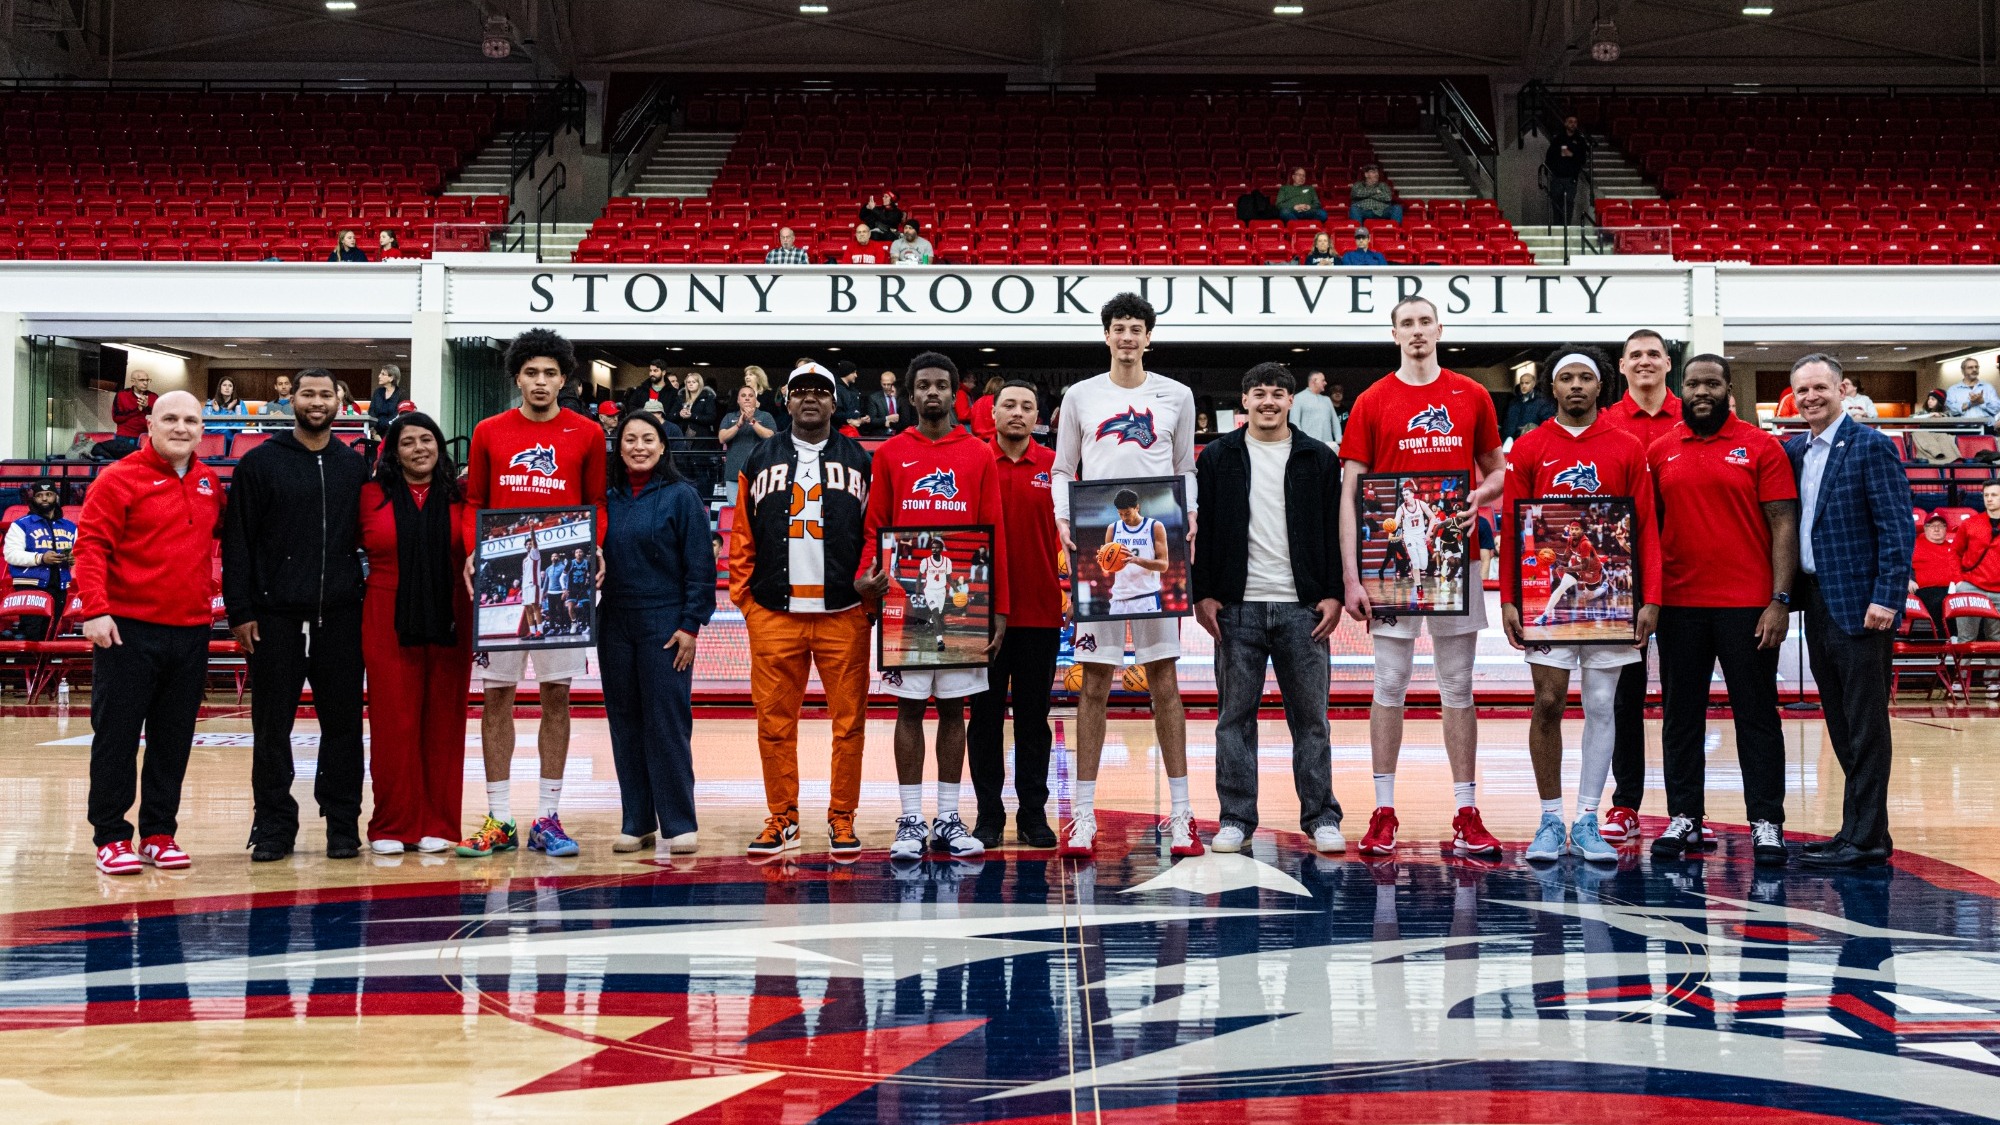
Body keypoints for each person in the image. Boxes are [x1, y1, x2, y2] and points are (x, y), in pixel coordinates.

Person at [1339, 296, 1506, 858]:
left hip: (1458, 557)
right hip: (1388, 566)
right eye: (1406, 323)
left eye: (1424, 322)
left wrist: (1480, 497)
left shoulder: (1471, 394)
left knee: (1457, 685)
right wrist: (1351, 576)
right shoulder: (1372, 400)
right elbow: (1351, 494)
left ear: (1439, 329)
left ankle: (1467, 810)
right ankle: (1384, 809)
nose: (1416, 331)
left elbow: (1498, 471)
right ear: (1394, 334)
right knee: (1389, 683)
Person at [1051, 292, 1201, 858]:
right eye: (1119, 328)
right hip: (1099, 546)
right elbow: (1063, 468)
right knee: (1093, 683)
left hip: (1160, 550)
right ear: (1106, 335)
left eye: (1136, 328)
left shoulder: (1176, 394)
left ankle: (1182, 813)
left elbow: (1184, 467)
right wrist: (1065, 519)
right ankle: (1083, 815)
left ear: (1148, 337)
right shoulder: (1080, 395)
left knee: (1164, 681)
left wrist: (1191, 515)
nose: (1127, 337)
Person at [1499, 347, 1661, 865]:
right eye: (1565, 378)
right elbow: (1512, 525)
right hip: (1545, 590)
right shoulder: (1530, 446)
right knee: (1548, 701)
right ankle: (1550, 819)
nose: (1575, 386)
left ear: (1600, 386)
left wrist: (1651, 598)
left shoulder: (1626, 446)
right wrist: (1508, 596)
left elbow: (1646, 527)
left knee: (1601, 704)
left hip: (1611, 597)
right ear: (1551, 387)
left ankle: (1588, 818)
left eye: (1584, 378)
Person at [457, 328, 608, 860]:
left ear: (564, 379)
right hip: (502, 577)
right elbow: (474, 502)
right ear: (517, 377)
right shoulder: (488, 431)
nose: (540, 382)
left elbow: (596, 503)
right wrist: (473, 549)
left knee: (556, 697)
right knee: (496, 697)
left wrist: (595, 546)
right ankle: (500, 817)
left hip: (558, 580)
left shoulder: (588, 433)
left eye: (550, 373)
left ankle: (547, 816)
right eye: (531, 373)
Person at [856, 352, 1010, 861]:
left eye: (942, 385)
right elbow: (875, 527)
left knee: (953, 709)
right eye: (923, 385)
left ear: (954, 394)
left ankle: (946, 817)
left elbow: (994, 532)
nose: (933, 393)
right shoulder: (889, 453)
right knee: (908, 707)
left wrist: (1000, 606)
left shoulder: (978, 453)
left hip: (965, 600)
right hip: (903, 599)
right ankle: (909, 820)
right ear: (911, 394)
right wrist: (866, 578)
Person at [1648, 354, 1798, 864]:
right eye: (1692, 384)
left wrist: (1780, 600)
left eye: (1711, 384)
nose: (1701, 392)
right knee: (1680, 716)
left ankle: (1767, 822)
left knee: (1757, 716)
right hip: (1679, 606)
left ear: (1728, 390)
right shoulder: (1661, 450)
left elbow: (1783, 523)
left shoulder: (1761, 446)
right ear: (1681, 388)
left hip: (1748, 608)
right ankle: (1685, 817)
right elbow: (1650, 530)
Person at [1192, 362, 1346, 854]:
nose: (1268, 402)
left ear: (1291, 401)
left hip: (1304, 608)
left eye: (1278, 394)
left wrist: (1335, 592)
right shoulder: (1217, 457)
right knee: (1234, 720)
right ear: (1244, 401)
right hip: (1237, 608)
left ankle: (1321, 816)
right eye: (1258, 393)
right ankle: (1236, 819)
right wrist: (1203, 592)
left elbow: (1335, 529)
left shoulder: (1318, 457)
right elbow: (1204, 531)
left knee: (1312, 721)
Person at [222, 368, 370, 863]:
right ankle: (273, 826)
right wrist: (240, 610)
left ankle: (343, 825)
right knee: (271, 729)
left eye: (326, 394)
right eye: (308, 393)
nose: (317, 402)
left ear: (339, 403)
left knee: (344, 728)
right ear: (293, 401)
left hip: (341, 618)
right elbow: (238, 542)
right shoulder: (259, 463)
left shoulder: (353, 466)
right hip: (274, 619)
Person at [75, 390, 226, 875]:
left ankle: (159, 834)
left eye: (191, 420)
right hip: (127, 630)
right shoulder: (117, 478)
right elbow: (90, 546)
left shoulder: (208, 481)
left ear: (202, 430)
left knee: (174, 737)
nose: (181, 428)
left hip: (190, 630)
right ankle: (111, 836)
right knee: (117, 736)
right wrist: (95, 610)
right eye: (171, 419)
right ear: (150, 425)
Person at [730, 362, 874, 858]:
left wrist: (868, 603)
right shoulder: (759, 457)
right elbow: (741, 536)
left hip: (843, 612)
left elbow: (873, 534)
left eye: (820, 391)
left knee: (849, 724)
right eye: (801, 391)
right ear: (786, 400)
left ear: (835, 402)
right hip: (774, 612)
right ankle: (783, 817)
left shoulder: (860, 459)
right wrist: (746, 603)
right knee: (773, 723)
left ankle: (842, 817)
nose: (810, 398)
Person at [1786, 353, 1914, 868]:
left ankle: (1865, 839)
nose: (1811, 397)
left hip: (1862, 606)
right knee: (1841, 724)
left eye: (1820, 387)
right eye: (1802, 390)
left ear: (1843, 390)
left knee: (1865, 726)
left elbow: (1897, 528)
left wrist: (1887, 597)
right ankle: (1861, 830)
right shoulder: (1795, 450)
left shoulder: (1871, 446)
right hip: (1816, 601)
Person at [600, 408, 715, 856]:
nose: (639, 447)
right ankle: (638, 821)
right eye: (630, 439)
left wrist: (690, 625)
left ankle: (679, 822)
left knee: (666, 723)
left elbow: (700, 567)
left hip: (665, 623)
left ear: (663, 446)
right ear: (619, 446)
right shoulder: (605, 498)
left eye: (648, 439)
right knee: (624, 722)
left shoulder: (682, 497)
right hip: (614, 621)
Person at [358, 412, 473, 855]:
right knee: (393, 722)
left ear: (440, 447)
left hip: (451, 614)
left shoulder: (462, 496)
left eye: (427, 440)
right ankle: (392, 823)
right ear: (393, 451)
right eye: (408, 442)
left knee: (445, 721)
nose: (419, 448)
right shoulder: (369, 496)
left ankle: (438, 823)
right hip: (386, 612)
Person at [967, 379, 1063, 849]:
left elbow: (1075, 536)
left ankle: (1033, 815)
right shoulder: (974, 460)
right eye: (1010, 405)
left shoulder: (1055, 466)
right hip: (981, 614)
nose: (1018, 413)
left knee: (1033, 721)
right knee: (984, 719)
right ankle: (988, 815)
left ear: (1037, 416)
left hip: (1040, 611)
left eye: (1027, 406)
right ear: (993, 412)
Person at [1600, 328, 1682, 844]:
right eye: (1636, 355)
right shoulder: (1605, 422)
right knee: (1623, 699)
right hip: (1620, 583)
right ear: (1623, 366)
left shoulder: (1693, 416)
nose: (1645, 361)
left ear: (1668, 363)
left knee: (1682, 699)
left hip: (1685, 578)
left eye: (1654, 354)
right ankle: (1625, 803)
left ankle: (1684, 809)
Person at [5, 479, 73, 639]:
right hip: (29, 586)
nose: (44, 498)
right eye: (40, 495)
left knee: (54, 632)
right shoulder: (20, 525)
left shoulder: (70, 526)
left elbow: (81, 552)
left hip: (60, 585)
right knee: (33, 633)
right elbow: (10, 554)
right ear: (33, 498)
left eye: (49, 494)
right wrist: (40, 558)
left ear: (56, 497)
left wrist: (74, 558)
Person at [1953, 481, 2000, 645]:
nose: (1989, 499)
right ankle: (1963, 666)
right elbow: (1954, 552)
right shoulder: (1970, 524)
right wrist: (1958, 581)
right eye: (1986, 495)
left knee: (1997, 641)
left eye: (1994, 495)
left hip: (1999, 591)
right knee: (1966, 639)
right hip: (1971, 587)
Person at [719, 384, 777, 504]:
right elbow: (722, 438)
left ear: (756, 400)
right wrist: (738, 425)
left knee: (759, 510)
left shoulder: (765, 416)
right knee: (735, 511)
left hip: (760, 473)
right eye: (743, 396)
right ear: (738, 400)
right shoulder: (729, 417)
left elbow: (770, 436)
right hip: (734, 474)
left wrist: (752, 420)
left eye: (751, 396)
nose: (747, 398)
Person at [1911, 513, 1959, 636]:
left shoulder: (1954, 548)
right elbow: (1900, 564)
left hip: (1953, 589)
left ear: (1946, 529)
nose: (1936, 529)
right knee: (1941, 602)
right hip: (1926, 590)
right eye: (1932, 526)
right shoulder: (1914, 546)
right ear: (1925, 528)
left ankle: (1969, 638)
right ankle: (1950, 636)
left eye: (1940, 526)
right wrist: (1908, 579)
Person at [1544, 114, 1590, 225]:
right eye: (1570, 122)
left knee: (1569, 203)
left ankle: (1567, 226)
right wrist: (1549, 171)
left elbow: (1583, 159)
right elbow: (1549, 156)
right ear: (1565, 123)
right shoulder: (1558, 139)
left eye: (1575, 122)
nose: (1573, 124)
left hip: (1571, 177)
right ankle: (1557, 227)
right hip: (1557, 177)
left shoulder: (1580, 140)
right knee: (1556, 203)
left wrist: (1572, 155)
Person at [104, 368, 154, 458]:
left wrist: (147, 407)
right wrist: (137, 410)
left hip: (146, 437)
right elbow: (116, 418)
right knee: (124, 464)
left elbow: (159, 418)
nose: (145, 383)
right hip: (125, 437)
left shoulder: (153, 396)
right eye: (142, 380)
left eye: (147, 380)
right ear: (133, 382)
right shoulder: (122, 395)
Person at [1288, 368, 1340, 447]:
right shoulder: (1299, 398)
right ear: (1314, 381)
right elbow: (1294, 422)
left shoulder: (1327, 400)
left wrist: (1338, 440)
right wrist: (1303, 442)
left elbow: (1335, 421)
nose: (1325, 383)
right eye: (1323, 380)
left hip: (1327, 447)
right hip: (1308, 446)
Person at [1502, 366, 1555, 439]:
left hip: (1532, 441)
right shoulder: (1513, 403)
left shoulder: (1543, 403)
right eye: (1522, 383)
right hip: (1510, 442)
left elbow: (1548, 425)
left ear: (1533, 384)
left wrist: (1532, 430)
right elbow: (1506, 423)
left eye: (1527, 383)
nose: (1523, 386)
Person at [369, 364, 408, 437]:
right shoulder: (377, 392)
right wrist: (374, 431)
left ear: (391, 378)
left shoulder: (401, 394)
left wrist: (381, 430)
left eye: (383, 374)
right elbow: (371, 411)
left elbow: (398, 415)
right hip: (375, 433)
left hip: (393, 433)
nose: (379, 376)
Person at [677, 371, 719, 437]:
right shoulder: (681, 397)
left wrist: (692, 416)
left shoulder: (707, 397)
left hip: (701, 435)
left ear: (699, 384)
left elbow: (711, 418)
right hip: (682, 433)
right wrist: (679, 414)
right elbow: (671, 416)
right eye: (688, 382)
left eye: (694, 382)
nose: (691, 384)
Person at [865, 368, 906, 435]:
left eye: (889, 384)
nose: (886, 387)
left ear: (894, 383)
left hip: (900, 434)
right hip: (881, 435)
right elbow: (871, 420)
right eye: (884, 384)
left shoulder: (901, 397)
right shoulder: (874, 398)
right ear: (880, 382)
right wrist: (887, 418)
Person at [969, 375, 1002, 441]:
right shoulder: (999, 401)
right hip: (996, 440)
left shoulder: (978, 401)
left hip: (979, 440)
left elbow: (972, 421)